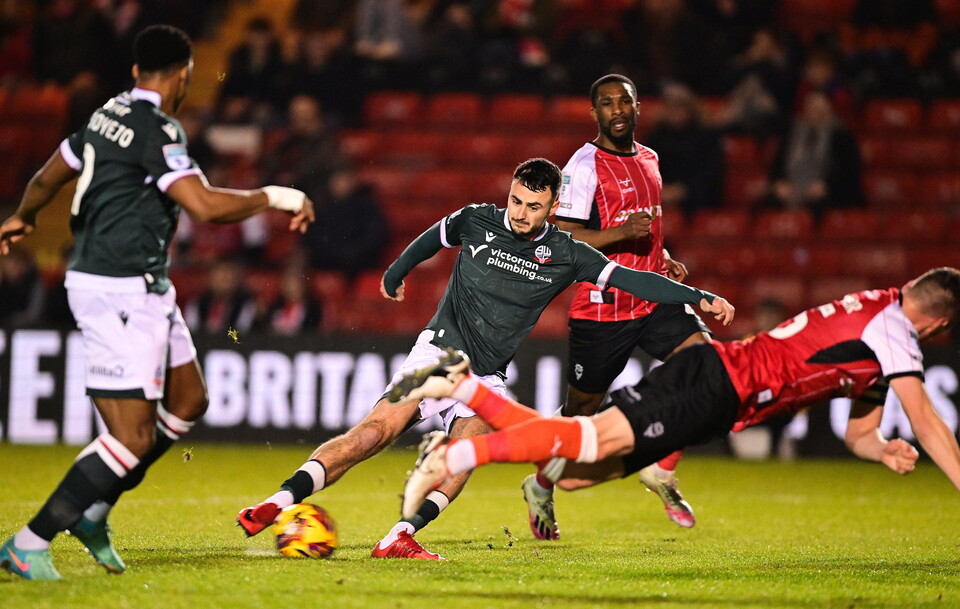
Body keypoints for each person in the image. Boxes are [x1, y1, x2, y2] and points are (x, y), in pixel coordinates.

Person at [236, 158, 734, 561]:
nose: (519, 213)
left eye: (533, 206)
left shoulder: (567, 253)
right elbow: (434, 236)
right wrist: (396, 271)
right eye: (516, 200)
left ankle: (400, 536)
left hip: (488, 375)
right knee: (373, 434)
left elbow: (632, 281)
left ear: (553, 207)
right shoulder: (478, 219)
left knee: (465, 452)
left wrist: (696, 295)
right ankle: (276, 503)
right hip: (438, 355)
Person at [0, 25, 314, 581]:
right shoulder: (157, 128)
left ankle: (93, 509)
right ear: (184, 77)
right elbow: (205, 207)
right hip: (115, 288)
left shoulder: (105, 115)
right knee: (131, 437)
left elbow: (50, 174)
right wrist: (276, 195)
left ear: (136, 71)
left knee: (189, 400)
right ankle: (28, 542)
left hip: (145, 283)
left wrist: (23, 215)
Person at [398, 268, 960, 526]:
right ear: (937, 324)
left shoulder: (879, 332)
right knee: (584, 435)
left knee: (573, 472)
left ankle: (490, 429)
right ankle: (460, 409)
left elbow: (858, 432)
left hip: (720, 401)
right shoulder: (895, 332)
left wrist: (882, 448)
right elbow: (929, 421)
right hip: (715, 381)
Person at [537, 73, 709, 540]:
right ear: (594, 113)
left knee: (708, 365)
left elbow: (646, 226)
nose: (617, 110)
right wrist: (620, 236)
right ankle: (540, 484)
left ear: (637, 107)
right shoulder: (583, 164)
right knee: (580, 415)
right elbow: (561, 236)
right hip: (604, 305)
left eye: (624, 102)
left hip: (652, 298)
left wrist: (662, 256)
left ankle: (661, 470)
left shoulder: (650, 158)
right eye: (607, 104)